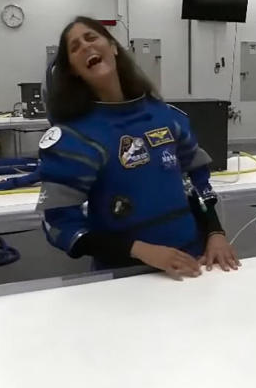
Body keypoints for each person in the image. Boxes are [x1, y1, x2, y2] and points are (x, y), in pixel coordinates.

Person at [37, 16, 240, 279]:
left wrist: (215, 233)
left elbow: (196, 181)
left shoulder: (166, 117)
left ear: (113, 47)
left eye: (91, 38)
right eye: (75, 47)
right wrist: (139, 250)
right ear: (73, 69)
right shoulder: (74, 138)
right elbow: (60, 225)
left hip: (194, 262)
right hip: (126, 276)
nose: (86, 47)